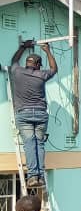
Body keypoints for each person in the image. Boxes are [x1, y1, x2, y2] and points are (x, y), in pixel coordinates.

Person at [9, 40, 58, 188]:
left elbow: (14, 60)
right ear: (37, 65)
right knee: (39, 144)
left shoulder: (17, 72)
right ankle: (40, 177)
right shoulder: (41, 75)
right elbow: (54, 69)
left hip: (24, 115)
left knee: (30, 144)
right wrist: (48, 51)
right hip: (40, 114)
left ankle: (32, 177)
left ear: (28, 63)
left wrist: (23, 47)